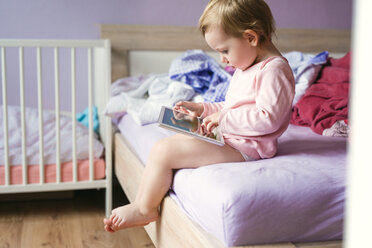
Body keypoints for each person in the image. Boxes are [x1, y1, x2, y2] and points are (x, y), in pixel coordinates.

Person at [103, 0, 295, 232]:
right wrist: (203, 109)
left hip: (248, 148)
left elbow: (268, 118)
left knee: (166, 152)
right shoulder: (248, 66)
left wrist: (222, 118)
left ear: (251, 38)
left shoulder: (274, 70)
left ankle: (145, 209)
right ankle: (139, 203)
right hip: (232, 137)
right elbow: (234, 106)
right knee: (163, 144)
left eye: (224, 51)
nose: (223, 59)